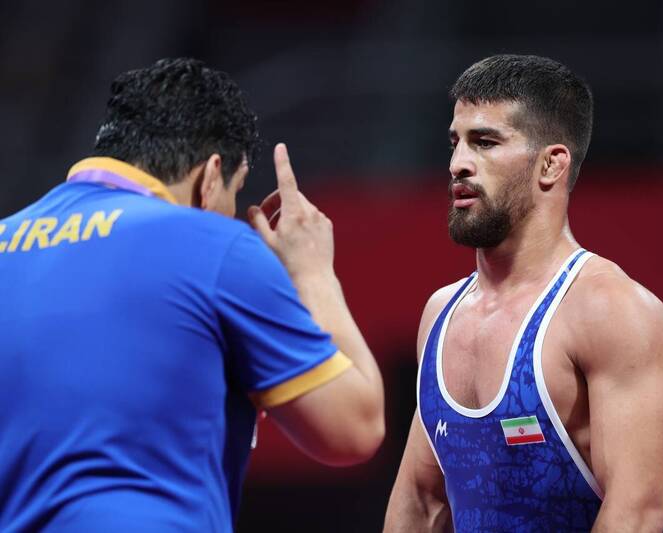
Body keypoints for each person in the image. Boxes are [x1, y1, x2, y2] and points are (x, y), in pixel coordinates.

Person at [0, 58, 384, 532]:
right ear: (211, 176)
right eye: (235, 192)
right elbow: (354, 429)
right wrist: (313, 273)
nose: (231, 213)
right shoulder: (214, 245)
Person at [384, 54, 663, 532]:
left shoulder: (611, 311)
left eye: (485, 143)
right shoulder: (442, 313)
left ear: (550, 164)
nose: (458, 164)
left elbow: (638, 511)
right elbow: (421, 501)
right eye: (455, 143)